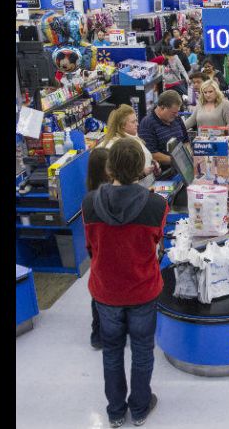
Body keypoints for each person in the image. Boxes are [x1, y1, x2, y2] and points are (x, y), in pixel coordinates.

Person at [83, 137, 168, 428]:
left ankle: (116, 412)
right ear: (140, 169)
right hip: (142, 288)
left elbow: (91, 246)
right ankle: (141, 408)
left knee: (112, 350)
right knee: (143, 350)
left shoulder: (90, 203)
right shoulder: (156, 205)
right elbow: (156, 244)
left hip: (106, 290)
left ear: (109, 168)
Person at [86, 147, 111, 351]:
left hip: (97, 255)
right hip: (106, 255)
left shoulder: (89, 198)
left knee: (99, 296)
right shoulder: (104, 198)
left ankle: (98, 334)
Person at [99, 105, 157, 177]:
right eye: (133, 122)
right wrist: (142, 173)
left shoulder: (134, 137)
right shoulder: (115, 146)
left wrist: (153, 164)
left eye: (136, 120)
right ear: (122, 125)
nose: (137, 124)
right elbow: (119, 176)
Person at [138, 90, 190, 170]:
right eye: (173, 112)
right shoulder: (147, 124)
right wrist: (176, 160)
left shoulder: (177, 118)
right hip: (163, 174)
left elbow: (186, 141)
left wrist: (187, 155)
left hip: (182, 168)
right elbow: (151, 154)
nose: (176, 115)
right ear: (162, 108)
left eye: (177, 112)